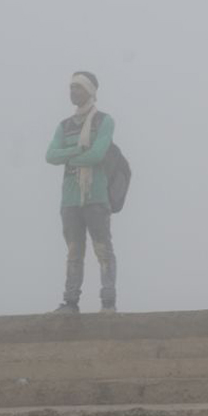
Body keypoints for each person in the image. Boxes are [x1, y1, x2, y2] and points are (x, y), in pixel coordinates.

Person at [46, 71, 118, 314]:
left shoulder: (104, 121)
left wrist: (68, 154)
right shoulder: (64, 125)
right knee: (74, 251)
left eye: (77, 87)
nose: (72, 92)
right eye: (71, 87)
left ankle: (108, 301)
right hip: (69, 198)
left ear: (90, 91)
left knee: (102, 249)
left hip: (96, 196)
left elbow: (98, 154)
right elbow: (50, 156)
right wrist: (78, 149)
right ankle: (70, 301)